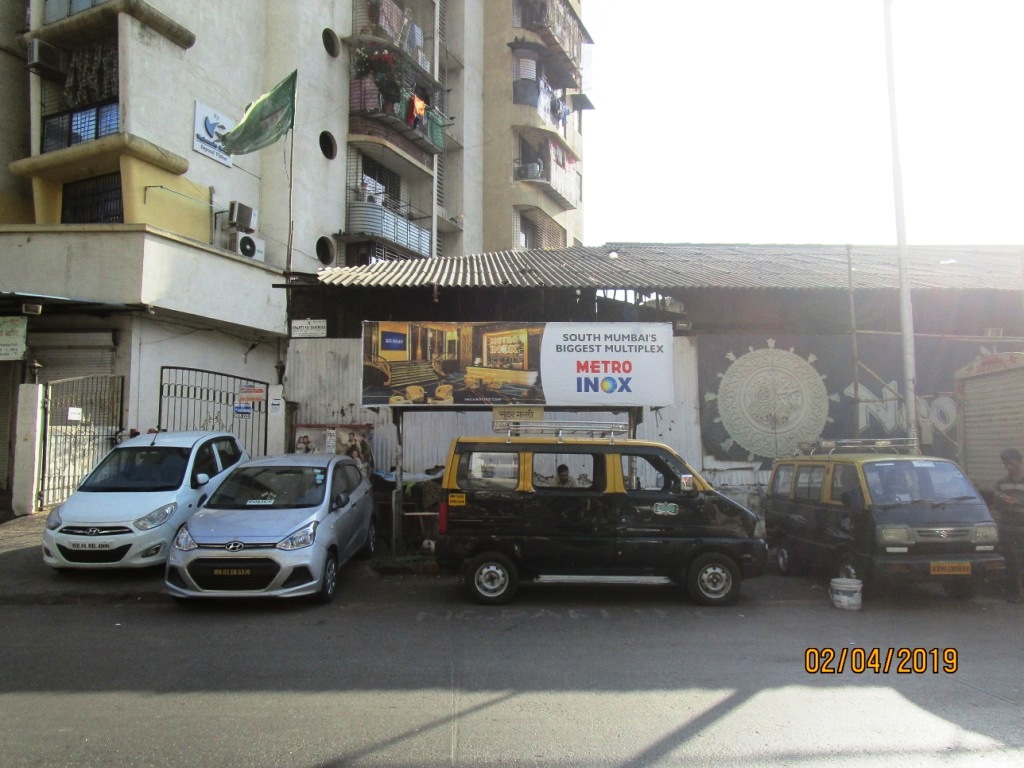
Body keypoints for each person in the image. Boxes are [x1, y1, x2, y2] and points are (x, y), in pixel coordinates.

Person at [994, 447, 1024, 603]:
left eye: (1011, 463)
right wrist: (1001, 499)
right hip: (1007, 527)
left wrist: (1017, 503)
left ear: (1019, 462)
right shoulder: (1002, 483)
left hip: (1022, 526)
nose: (1009, 467)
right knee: (1011, 561)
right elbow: (996, 505)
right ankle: (1015, 592)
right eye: (1006, 464)